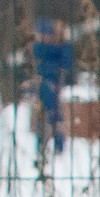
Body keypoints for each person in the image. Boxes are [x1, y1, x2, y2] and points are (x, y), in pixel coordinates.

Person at [32, 18, 70, 163]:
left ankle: (58, 146)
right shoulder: (39, 49)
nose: (43, 38)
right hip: (44, 87)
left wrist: (63, 40)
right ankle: (42, 146)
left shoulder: (59, 49)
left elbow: (65, 63)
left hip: (55, 88)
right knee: (43, 117)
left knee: (56, 117)